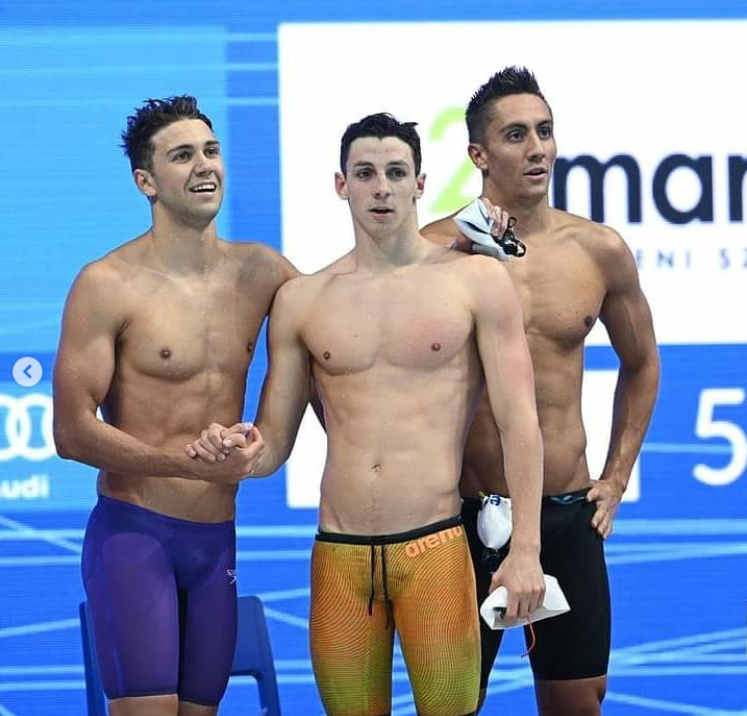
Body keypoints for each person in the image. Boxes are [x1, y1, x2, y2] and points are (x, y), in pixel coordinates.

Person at [188, 112, 546, 716]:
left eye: (395, 172)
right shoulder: (302, 300)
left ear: (420, 183)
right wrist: (240, 451)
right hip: (340, 557)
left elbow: (520, 424)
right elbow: (273, 443)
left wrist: (527, 551)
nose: (381, 187)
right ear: (341, 184)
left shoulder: (476, 283)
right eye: (366, 173)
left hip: (433, 548)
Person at [422, 67, 661, 716]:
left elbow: (641, 364)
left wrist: (614, 477)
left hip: (563, 512)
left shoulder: (597, 251)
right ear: (478, 154)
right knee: (448, 704)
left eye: (545, 131)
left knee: (578, 703)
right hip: (461, 518)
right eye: (516, 134)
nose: (537, 148)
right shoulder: (428, 255)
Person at [52, 95, 292, 716]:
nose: (204, 165)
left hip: (217, 545)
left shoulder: (261, 271)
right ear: (146, 181)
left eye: (210, 150)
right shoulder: (107, 284)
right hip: (136, 537)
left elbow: (349, 309)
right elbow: (71, 431)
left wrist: (451, 243)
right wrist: (186, 464)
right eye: (181, 156)